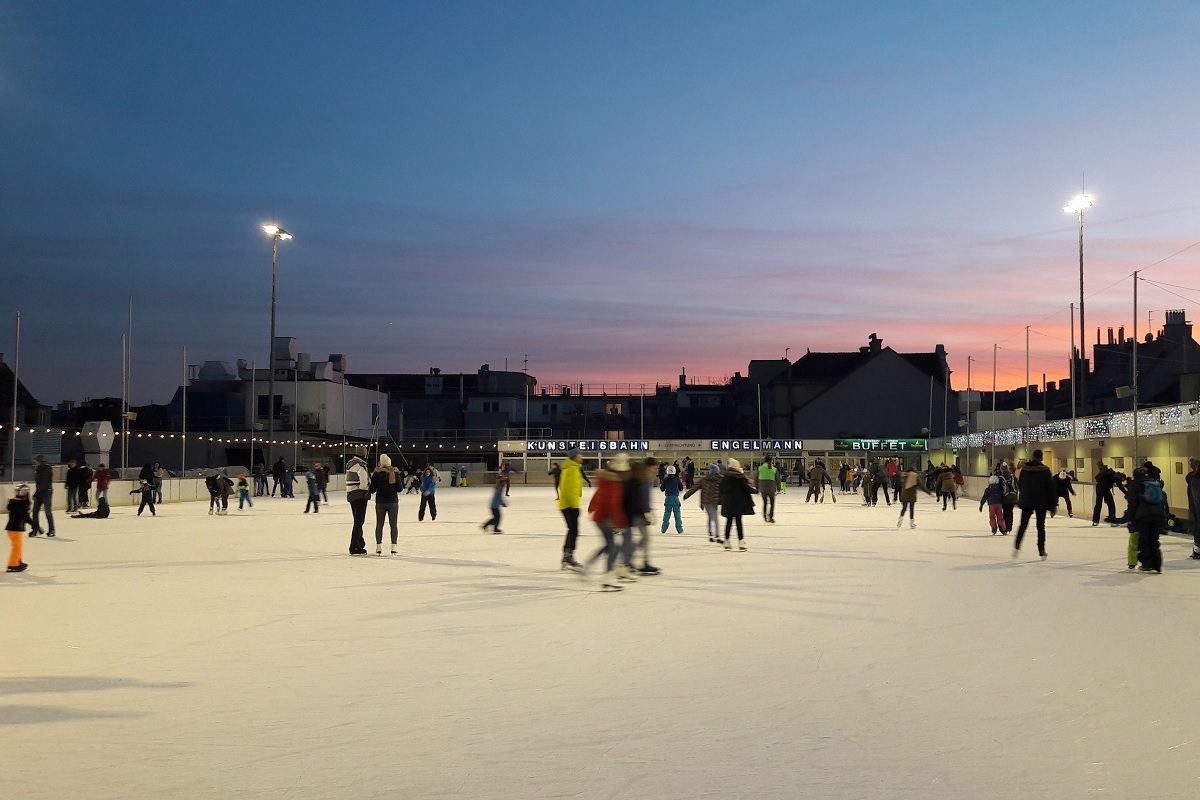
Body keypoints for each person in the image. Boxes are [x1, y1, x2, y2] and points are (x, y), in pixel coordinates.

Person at [583, 454, 631, 590]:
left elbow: (599, 494)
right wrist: (618, 522)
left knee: (609, 545)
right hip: (606, 519)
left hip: (601, 517)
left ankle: (592, 565)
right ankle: (608, 576)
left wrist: (592, 507)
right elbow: (614, 504)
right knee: (613, 547)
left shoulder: (605, 479)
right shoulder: (615, 482)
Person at [1013, 449, 1054, 560]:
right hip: (1041, 502)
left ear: (1032, 456)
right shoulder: (1045, 471)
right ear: (1041, 458)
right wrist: (1053, 506)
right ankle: (1041, 550)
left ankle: (1017, 544)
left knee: (1023, 524)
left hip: (1027, 501)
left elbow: (1020, 485)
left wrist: (1023, 498)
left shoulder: (1025, 470)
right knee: (1040, 527)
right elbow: (1050, 489)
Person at [1127, 466, 1168, 573]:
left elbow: (1132, 503)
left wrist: (1131, 518)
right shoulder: (1154, 484)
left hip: (1143, 516)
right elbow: (1162, 501)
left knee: (1144, 540)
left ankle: (1147, 564)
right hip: (1158, 516)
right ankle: (1157, 564)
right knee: (1154, 540)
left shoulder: (1135, 485)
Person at [626, 457, 660, 575]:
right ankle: (629, 559)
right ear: (649, 467)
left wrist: (649, 511)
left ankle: (632, 559)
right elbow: (639, 497)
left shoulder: (644, 477)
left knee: (645, 537)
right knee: (645, 537)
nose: (656, 471)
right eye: (655, 468)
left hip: (639, 512)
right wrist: (646, 511)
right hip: (636, 512)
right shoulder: (641, 477)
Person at [719, 458, 756, 551]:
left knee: (729, 522)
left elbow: (720, 490)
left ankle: (727, 542)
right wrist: (756, 490)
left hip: (727, 503)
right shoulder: (739, 477)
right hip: (738, 503)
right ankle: (741, 542)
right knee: (738, 523)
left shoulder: (725, 477)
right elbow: (746, 489)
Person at [558, 448, 586, 571]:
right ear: (575, 457)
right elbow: (571, 490)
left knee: (572, 530)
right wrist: (575, 507)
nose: (581, 456)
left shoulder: (569, 468)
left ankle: (567, 555)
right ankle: (568, 556)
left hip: (566, 504)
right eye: (580, 454)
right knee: (574, 530)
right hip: (569, 505)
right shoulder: (573, 469)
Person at [684, 463, 723, 543]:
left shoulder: (704, 479)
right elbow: (728, 487)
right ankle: (717, 536)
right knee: (715, 519)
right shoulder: (720, 479)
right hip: (714, 501)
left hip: (706, 502)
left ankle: (711, 535)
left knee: (710, 517)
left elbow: (694, 488)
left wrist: (686, 495)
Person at [371, 454, 401, 555]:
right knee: (393, 524)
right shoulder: (395, 472)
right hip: (393, 502)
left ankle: (378, 546)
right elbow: (400, 488)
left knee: (379, 524)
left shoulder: (377, 473)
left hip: (380, 502)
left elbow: (372, 490)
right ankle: (394, 546)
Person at [345, 452, 371, 556]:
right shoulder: (360, 465)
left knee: (357, 521)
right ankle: (354, 546)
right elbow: (364, 481)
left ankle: (360, 543)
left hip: (351, 494)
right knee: (359, 522)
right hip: (360, 495)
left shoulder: (350, 464)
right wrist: (365, 489)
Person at [7, 484, 33, 573]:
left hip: (15, 528)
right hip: (15, 528)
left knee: (18, 546)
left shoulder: (18, 502)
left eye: (26, 492)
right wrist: (34, 525)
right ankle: (13, 565)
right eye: (23, 491)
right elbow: (25, 516)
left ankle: (18, 561)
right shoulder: (19, 503)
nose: (25, 493)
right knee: (16, 547)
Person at [896, 464, 923, 529]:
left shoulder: (905, 475)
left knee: (904, 508)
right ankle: (912, 523)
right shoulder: (915, 476)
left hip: (905, 494)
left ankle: (900, 519)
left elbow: (898, 474)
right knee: (911, 509)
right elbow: (921, 486)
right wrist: (928, 492)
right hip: (912, 495)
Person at [659, 464, 684, 534]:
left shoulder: (665, 479)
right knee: (677, 514)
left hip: (668, 499)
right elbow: (681, 488)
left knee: (667, 514)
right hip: (675, 499)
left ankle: (663, 529)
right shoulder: (677, 479)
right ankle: (680, 529)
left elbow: (662, 489)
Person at [997, 462, 1018, 534]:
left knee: (1005, 512)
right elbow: (1017, 487)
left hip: (1005, 499)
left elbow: (998, 489)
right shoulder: (1013, 477)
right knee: (1010, 512)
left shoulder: (1000, 478)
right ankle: (1009, 527)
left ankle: (1004, 527)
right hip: (1013, 498)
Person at [757, 455, 779, 523]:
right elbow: (778, 479)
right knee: (772, 503)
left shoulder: (760, 468)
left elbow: (755, 478)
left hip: (763, 488)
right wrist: (778, 488)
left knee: (765, 502)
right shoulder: (774, 469)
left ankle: (764, 515)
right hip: (771, 488)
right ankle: (770, 517)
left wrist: (757, 487)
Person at [1187, 457, 1200, 560]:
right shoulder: (1194, 479)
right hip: (1196, 508)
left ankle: (1197, 548)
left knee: (1197, 527)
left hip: (1196, 508)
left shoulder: (1193, 479)